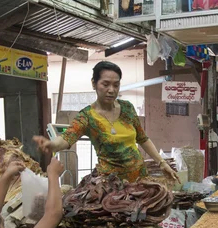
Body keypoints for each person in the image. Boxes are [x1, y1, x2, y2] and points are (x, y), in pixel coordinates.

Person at [33, 61, 178, 183]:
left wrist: (162, 163)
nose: (111, 90)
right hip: (110, 184)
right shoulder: (87, 116)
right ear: (94, 84)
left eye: (116, 85)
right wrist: (51, 145)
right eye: (106, 84)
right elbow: (67, 138)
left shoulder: (127, 108)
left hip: (139, 178)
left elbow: (142, 139)